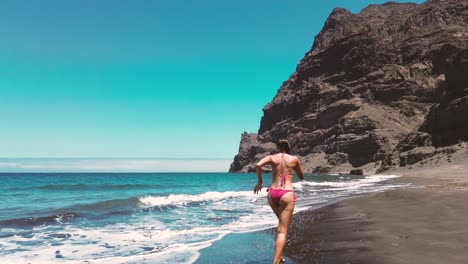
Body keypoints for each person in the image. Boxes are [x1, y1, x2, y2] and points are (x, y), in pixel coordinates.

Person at [253, 139, 304, 264]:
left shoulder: (272, 157)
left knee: (281, 225)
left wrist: (260, 182)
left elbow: (258, 165)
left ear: (278, 147)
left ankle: (280, 255)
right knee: (282, 230)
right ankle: (276, 262)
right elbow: (302, 177)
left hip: (272, 193)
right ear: (288, 147)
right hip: (286, 193)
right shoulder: (294, 159)